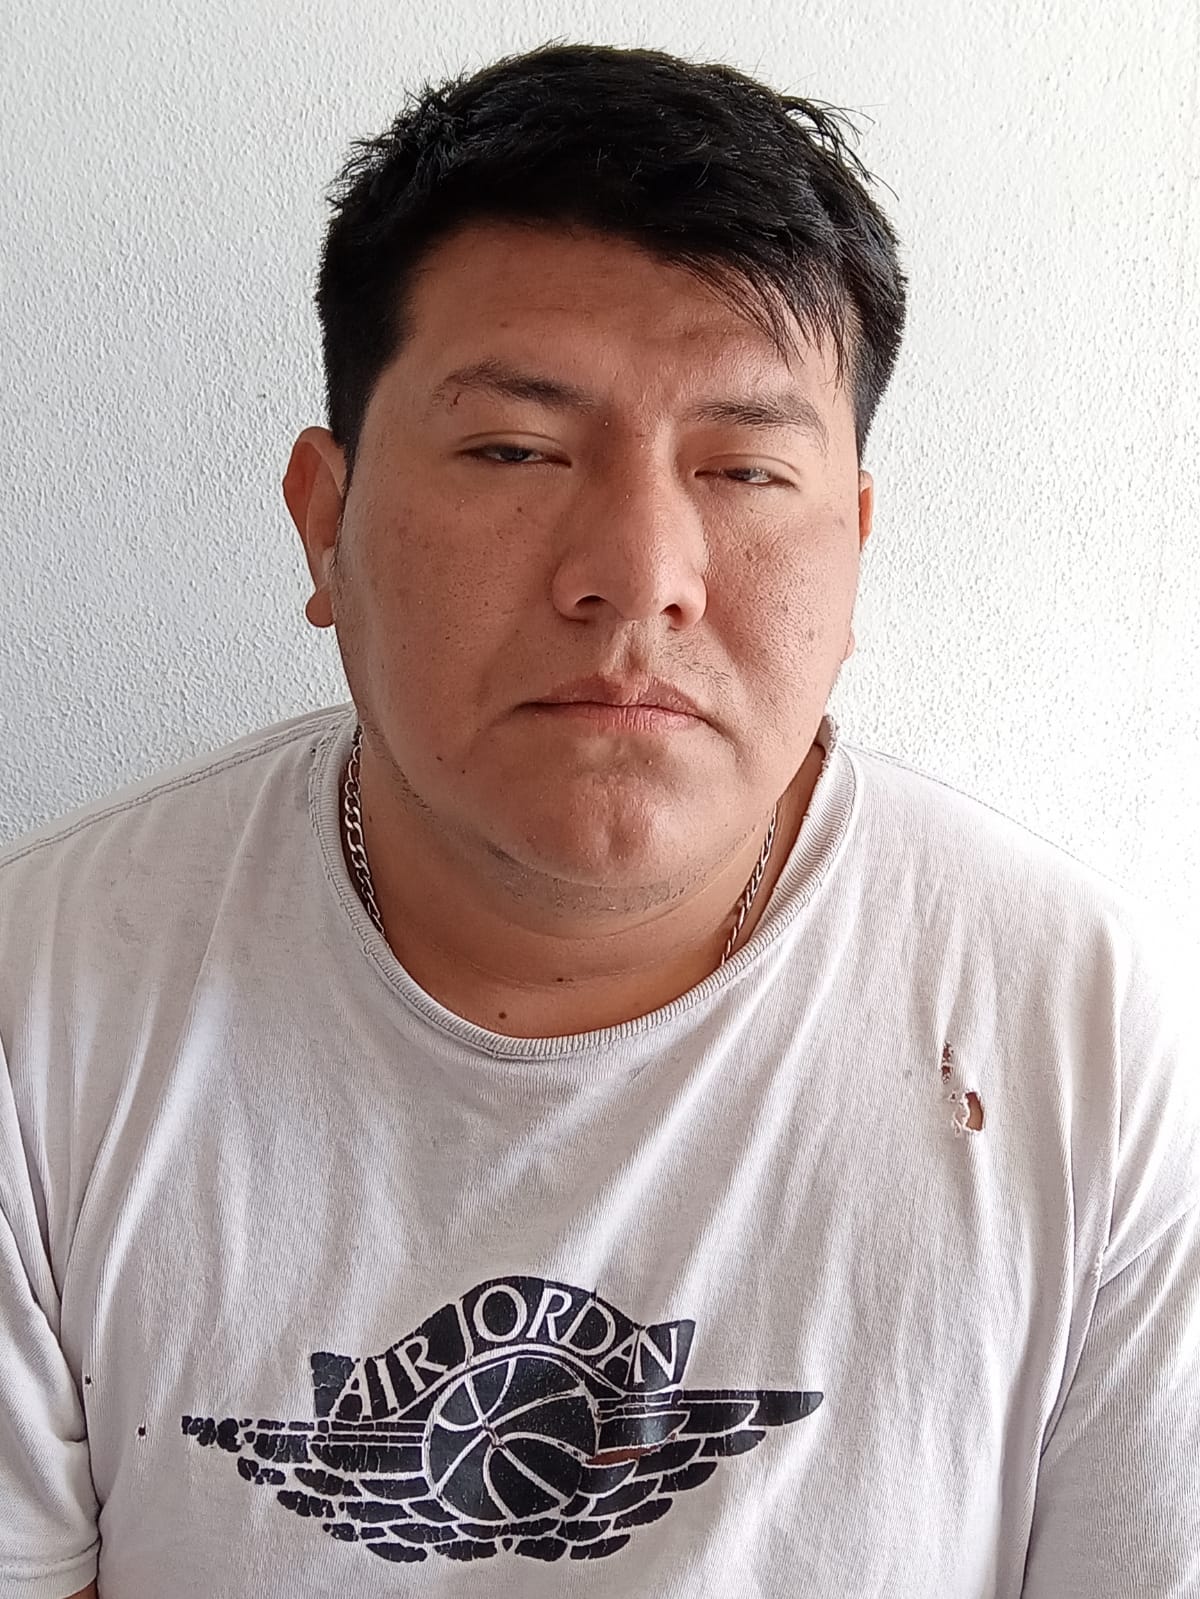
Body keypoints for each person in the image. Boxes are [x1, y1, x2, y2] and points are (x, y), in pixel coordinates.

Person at [1, 39, 1196, 1599]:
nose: (638, 576)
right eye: (515, 449)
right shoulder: (44, 1005)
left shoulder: (1077, 1032)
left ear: (852, 546)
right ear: (324, 521)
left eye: (743, 469)